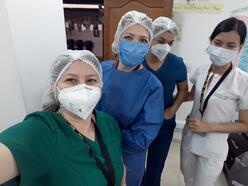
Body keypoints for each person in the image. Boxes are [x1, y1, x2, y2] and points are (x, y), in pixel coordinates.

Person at [0, 50, 125, 186]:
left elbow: (119, 169)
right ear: (55, 87)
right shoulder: (42, 131)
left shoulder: (109, 123)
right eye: (71, 80)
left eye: (91, 80)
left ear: (100, 85)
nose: (82, 88)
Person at [96, 11, 164, 186]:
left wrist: (100, 131)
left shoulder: (152, 86)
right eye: (128, 37)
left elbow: (142, 138)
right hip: (93, 151)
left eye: (143, 40)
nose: (135, 44)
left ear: (149, 46)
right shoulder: (100, 70)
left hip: (126, 160)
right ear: (118, 39)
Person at [180, 17, 248, 186]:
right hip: (188, 140)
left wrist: (208, 126)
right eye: (217, 42)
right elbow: (192, 95)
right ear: (210, 42)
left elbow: (245, 125)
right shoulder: (201, 70)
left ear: (240, 48)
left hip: (212, 149)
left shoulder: (242, 81)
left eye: (231, 45)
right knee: (188, 180)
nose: (221, 49)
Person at [142, 17, 188, 186]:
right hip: (137, 122)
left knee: (156, 166)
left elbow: (184, 89)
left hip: (163, 122)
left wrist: (173, 109)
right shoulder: (137, 59)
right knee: (134, 164)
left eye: (170, 43)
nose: (165, 47)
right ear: (150, 36)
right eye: (161, 40)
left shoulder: (176, 63)